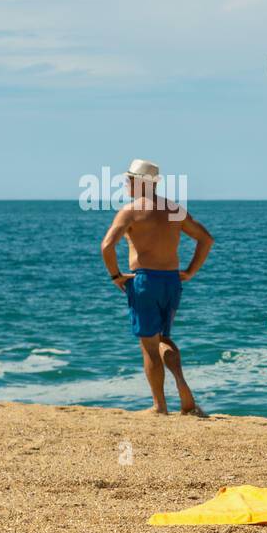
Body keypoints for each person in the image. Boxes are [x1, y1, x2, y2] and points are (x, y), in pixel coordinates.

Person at [100, 159, 213, 416]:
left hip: (145, 282)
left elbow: (107, 246)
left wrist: (116, 276)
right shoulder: (174, 210)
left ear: (140, 183)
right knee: (164, 338)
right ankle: (182, 388)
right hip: (171, 281)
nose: (125, 184)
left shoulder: (130, 212)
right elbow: (206, 239)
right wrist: (190, 271)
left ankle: (159, 406)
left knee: (150, 345)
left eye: (129, 180)